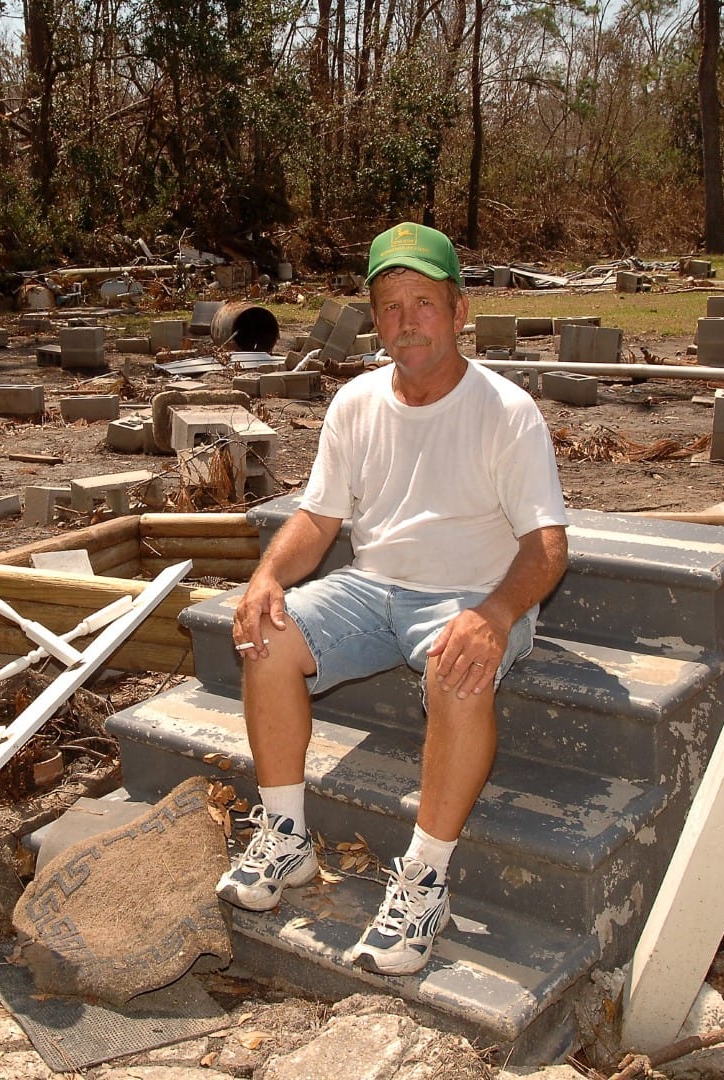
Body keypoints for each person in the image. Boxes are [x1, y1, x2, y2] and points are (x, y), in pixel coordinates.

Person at [214, 221, 570, 975]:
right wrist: (267, 576)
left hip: (473, 596)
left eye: (424, 303)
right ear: (374, 317)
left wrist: (496, 615)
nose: (406, 322)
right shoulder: (355, 403)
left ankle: (424, 881)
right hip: (373, 588)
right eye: (389, 305)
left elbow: (546, 548)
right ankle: (285, 837)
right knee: (267, 633)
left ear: (459, 312)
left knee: (457, 666)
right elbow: (317, 519)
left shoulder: (505, 412)